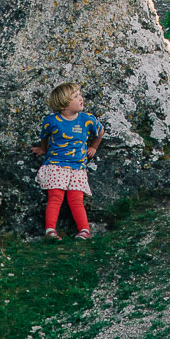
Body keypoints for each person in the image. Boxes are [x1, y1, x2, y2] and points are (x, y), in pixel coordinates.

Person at [30, 82, 103, 240]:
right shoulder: (52, 121)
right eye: (76, 97)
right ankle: (50, 230)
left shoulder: (87, 120)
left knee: (76, 199)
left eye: (79, 95)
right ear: (64, 105)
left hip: (77, 167)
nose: (81, 98)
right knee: (55, 197)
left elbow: (100, 130)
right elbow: (44, 136)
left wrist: (94, 147)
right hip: (56, 165)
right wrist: (43, 149)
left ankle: (84, 230)